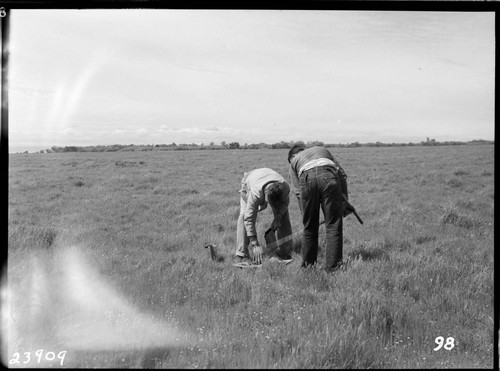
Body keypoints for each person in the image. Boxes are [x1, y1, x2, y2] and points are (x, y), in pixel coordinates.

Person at [287, 144, 348, 272]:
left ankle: (309, 267)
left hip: (307, 178)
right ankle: (334, 268)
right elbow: (341, 174)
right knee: (333, 226)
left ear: (293, 157)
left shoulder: (294, 163)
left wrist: (305, 216)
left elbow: (298, 191)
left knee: (310, 228)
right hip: (329, 175)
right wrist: (344, 201)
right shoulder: (322, 150)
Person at [235, 168, 292, 264]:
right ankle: (241, 254)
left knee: (284, 217)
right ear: (265, 194)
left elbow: (284, 205)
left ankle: (285, 251)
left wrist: (278, 217)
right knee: (244, 215)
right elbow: (249, 219)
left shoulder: (285, 188)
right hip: (249, 183)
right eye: (269, 202)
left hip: (266, 177)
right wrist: (254, 242)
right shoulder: (255, 193)